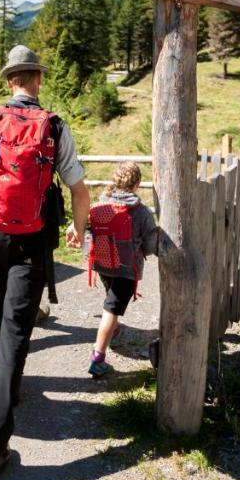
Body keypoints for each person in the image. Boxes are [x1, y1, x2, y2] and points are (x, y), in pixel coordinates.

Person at [0, 45, 89, 480]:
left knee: (0, 320)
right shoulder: (53, 125)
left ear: (10, 80)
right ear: (36, 79)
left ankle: (6, 391)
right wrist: (79, 228)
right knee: (14, 335)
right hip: (33, 241)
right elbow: (79, 189)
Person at [78, 161, 160, 377]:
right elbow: (151, 245)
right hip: (126, 268)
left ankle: (112, 329)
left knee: (111, 300)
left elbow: (89, 230)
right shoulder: (140, 212)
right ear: (138, 183)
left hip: (104, 264)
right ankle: (97, 357)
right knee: (111, 309)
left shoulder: (100, 205)